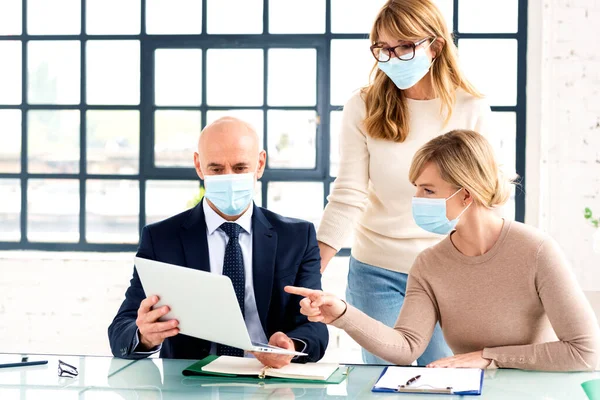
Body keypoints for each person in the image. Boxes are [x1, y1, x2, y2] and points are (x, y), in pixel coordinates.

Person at [288, 130, 600, 372]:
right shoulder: (429, 264)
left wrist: (486, 358)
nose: (416, 199)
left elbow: (585, 351)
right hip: (470, 389)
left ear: (466, 195)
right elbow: (407, 346)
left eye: (427, 190)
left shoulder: (537, 251)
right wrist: (342, 313)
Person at [318, 0, 494, 365]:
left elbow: (485, 196)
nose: (392, 57)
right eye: (382, 49)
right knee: (385, 378)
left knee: (446, 376)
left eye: (404, 46)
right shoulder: (363, 106)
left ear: (436, 46)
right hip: (376, 270)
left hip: (450, 268)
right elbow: (349, 193)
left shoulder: (470, 107)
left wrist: (493, 269)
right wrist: (311, 266)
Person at [108, 117, 328, 368]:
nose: (229, 178)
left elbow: (315, 329)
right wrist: (144, 336)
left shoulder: (298, 237)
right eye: (216, 169)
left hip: (269, 380)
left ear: (260, 164)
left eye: (240, 167)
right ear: (199, 166)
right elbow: (120, 332)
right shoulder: (161, 239)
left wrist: (292, 345)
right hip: (189, 385)